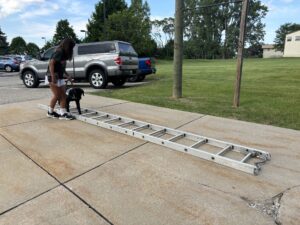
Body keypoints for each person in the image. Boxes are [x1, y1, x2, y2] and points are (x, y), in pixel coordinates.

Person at [47, 38, 75, 120]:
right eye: (71, 47)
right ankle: (50, 112)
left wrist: (67, 76)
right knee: (57, 95)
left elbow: (61, 67)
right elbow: (51, 63)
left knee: (63, 96)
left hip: (59, 76)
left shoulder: (63, 53)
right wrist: (52, 76)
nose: (72, 49)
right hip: (53, 76)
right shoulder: (59, 52)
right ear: (68, 46)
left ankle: (63, 113)